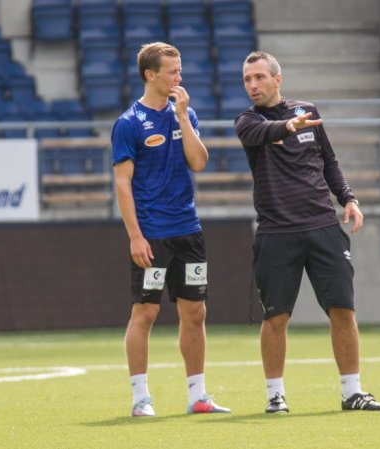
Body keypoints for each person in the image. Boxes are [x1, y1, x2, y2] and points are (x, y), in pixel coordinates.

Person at [233, 51, 380, 413]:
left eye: (258, 77)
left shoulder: (308, 111)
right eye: (246, 79)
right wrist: (289, 127)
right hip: (276, 233)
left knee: (343, 311)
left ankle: (352, 392)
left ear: (277, 78)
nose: (252, 85)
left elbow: (329, 161)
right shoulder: (247, 121)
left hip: (323, 227)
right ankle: (275, 396)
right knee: (276, 317)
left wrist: (348, 198)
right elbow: (265, 133)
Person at [112, 42, 230, 418]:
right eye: (172, 72)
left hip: (188, 231)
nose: (179, 78)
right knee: (145, 313)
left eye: (179, 71)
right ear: (151, 74)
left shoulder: (186, 114)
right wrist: (135, 235)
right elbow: (122, 183)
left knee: (195, 312)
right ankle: (140, 398)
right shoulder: (129, 123)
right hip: (153, 234)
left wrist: (181, 118)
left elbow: (198, 162)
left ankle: (198, 395)